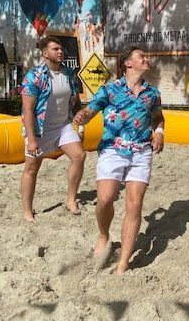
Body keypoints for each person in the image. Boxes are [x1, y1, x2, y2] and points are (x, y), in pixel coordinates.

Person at [73, 46, 164, 275]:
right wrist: (82, 116)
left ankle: (123, 264)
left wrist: (160, 132)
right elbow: (90, 111)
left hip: (141, 151)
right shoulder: (110, 89)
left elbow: (158, 118)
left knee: (135, 204)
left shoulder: (152, 93)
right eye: (141, 56)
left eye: (147, 56)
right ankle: (104, 235)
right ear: (128, 63)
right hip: (112, 148)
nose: (147, 58)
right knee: (105, 199)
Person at [19, 36, 86, 222]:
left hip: (63, 126)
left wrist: (80, 125)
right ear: (45, 53)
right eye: (55, 49)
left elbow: (75, 102)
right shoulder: (34, 76)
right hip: (39, 129)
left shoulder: (69, 73)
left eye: (61, 49)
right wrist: (32, 140)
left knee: (79, 156)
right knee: (32, 168)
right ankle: (27, 211)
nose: (60, 51)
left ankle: (71, 199)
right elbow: (28, 110)